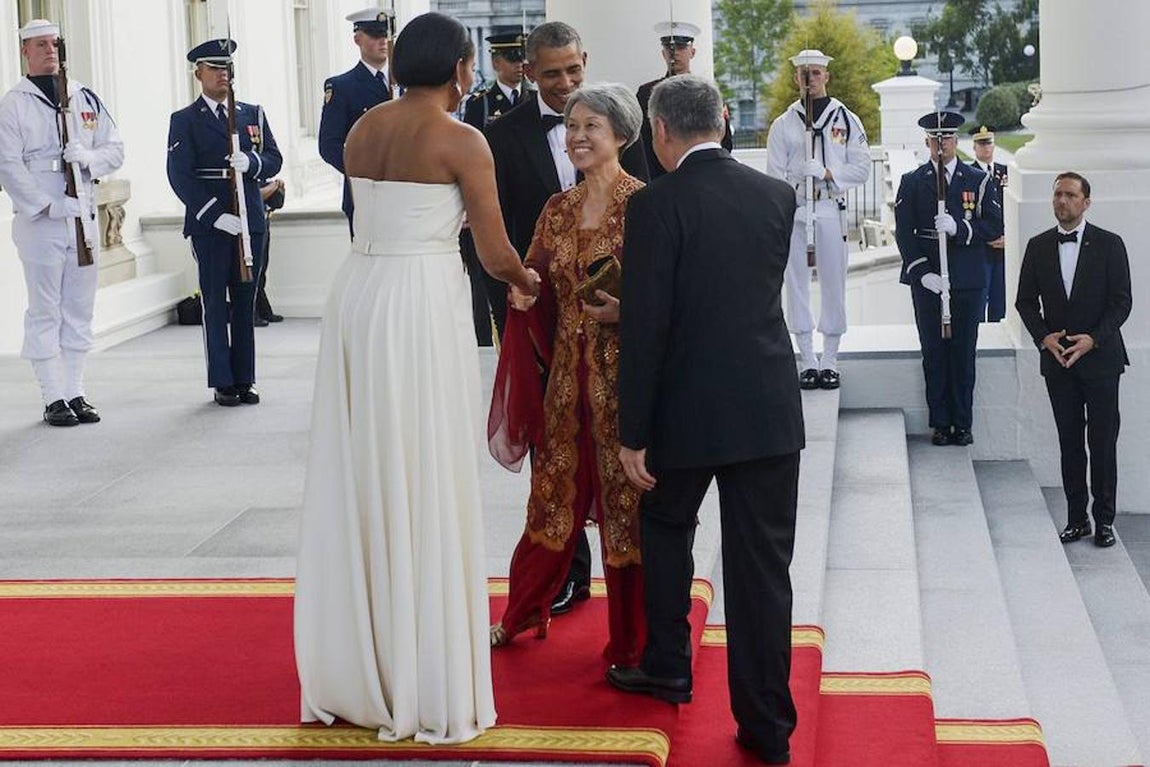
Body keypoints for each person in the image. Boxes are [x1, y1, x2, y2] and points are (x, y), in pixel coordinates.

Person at [293, 12, 540, 745]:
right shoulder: (464, 139)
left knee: (364, 469)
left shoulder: (364, 126)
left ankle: (367, 665)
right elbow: (495, 252)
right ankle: (422, 668)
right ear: (462, 69)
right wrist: (527, 281)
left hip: (359, 294)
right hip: (418, 301)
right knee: (421, 466)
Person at [609, 75, 805, 767]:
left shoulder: (655, 205)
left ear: (660, 132)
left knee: (665, 531)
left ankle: (668, 664)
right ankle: (768, 725)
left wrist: (632, 431)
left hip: (682, 412)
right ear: (724, 121)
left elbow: (649, 323)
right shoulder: (775, 196)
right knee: (763, 570)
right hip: (765, 409)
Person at [484, 20, 649, 616]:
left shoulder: (642, 199)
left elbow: (664, 275)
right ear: (530, 72)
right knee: (553, 481)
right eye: (552, 74)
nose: (565, 84)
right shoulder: (506, 146)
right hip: (555, 352)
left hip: (624, 371)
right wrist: (519, 295)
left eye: (574, 71)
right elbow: (499, 238)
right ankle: (547, 592)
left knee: (626, 495)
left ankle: (633, 626)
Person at [0, 19, 124, 426]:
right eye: (40, 45)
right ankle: (52, 395)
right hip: (42, 221)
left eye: (54, 44)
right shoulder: (14, 103)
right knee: (45, 309)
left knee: (79, 307)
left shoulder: (82, 95)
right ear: (25, 53)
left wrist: (88, 159)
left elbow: (114, 148)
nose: (49, 51)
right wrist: (46, 205)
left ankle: (75, 390)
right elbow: (8, 164)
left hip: (83, 218)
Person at [1016, 172, 1131, 549]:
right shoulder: (1037, 246)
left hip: (1101, 361)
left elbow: (1121, 303)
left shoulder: (1111, 245)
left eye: (1070, 195)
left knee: (1102, 444)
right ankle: (1076, 518)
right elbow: (1025, 301)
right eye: (1057, 195)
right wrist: (1043, 336)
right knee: (1069, 443)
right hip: (1059, 362)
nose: (1061, 201)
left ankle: (1104, 522)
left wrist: (1093, 340)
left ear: (1086, 202)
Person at [167, 39, 282, 407]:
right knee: (215, 302)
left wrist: (252, 163)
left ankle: (245, 378)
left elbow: (273, 157)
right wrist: (215, 216)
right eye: (214, 68)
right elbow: (180, 176)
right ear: (198, 73)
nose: (223, 75)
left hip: (250, 218)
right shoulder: (185, 120)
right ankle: (222, 380)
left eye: (227, 68)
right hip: (212, 222)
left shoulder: (252, 113)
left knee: (246, 301)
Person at [894, 111, 1002, 446]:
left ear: (956, 141)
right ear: (927, 142)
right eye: (935, 140)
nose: (941, 145)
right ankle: (940, 422)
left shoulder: (978, 180)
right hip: (930, 282)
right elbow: (904, 233)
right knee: (934, 353)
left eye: (947, 139)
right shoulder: (913, 181)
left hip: (967, 279)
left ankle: (963, 423)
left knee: (963, 353)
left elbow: (995, 225)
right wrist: (922, 273)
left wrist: (961, 228)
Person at [766, 49, 870, 391]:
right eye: (802, 74)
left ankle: (830, 358)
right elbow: (774, 174)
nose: (808, 80)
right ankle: (807, 357)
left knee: (834, 282)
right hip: (796, 209)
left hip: (829, 207)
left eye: (814, 73)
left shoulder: (846, 120)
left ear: (826, 76)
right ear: (796, 79)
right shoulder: (785, 123)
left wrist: (827, 172)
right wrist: (790, 195)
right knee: (796, 283)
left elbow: (861, 167)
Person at [460, 31, 527, 346]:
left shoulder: (533, 98)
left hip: (525, 196)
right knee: (485, 281)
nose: (519, 66)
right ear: (497, 61)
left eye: (522, 59)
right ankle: (485, 339)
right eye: (512, 59)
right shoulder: (480, 103)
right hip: (493, 197)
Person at [318, 7, 394, 232]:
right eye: (375, 35)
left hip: (407, 190)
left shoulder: (407, 84)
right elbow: (329, 145)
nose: (383, 41)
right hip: (364, 194)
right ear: (357, 39)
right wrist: (364, 172)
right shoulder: (342, 87)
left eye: (386, 35)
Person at [635, 20, 732, 180]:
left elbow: (724, 140)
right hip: (659, 178)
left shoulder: (706, 93)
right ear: (663, 53)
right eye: (669, 48)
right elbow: (642, 143)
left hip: (702, 177)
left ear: (692, 52)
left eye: (681, 47)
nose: (675, 53)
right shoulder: (647, 93)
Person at [969, 125, 1008, 322]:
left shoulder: (1005, 172)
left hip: (1003, 247)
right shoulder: (969, 174)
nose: (986, 148)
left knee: (1000, 302)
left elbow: (1010, 209)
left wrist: (1007, 237)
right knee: (978, 300)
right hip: (981, 248)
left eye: (989, 143)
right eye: (981, 144)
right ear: (974, 147)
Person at [253, 178, 285, 327]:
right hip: (253, 223)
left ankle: (263, 309)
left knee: (262, 269)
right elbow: (253, 195)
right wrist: (273, 187)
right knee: (253, 270)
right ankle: (253, 313)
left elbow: (276, 203)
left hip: (264, 219)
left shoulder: (262, 178)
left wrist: (277, 188)